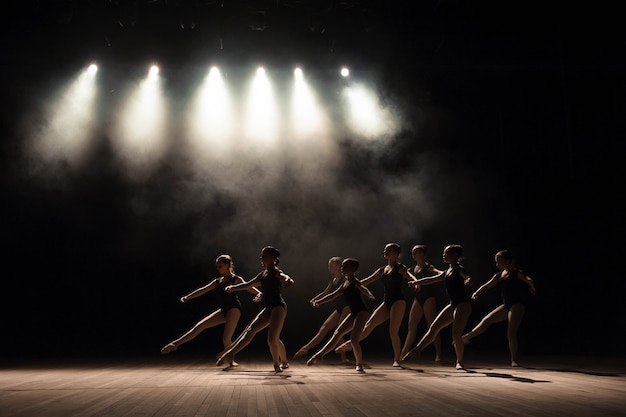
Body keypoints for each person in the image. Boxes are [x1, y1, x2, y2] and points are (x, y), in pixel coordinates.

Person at [160, 255, 262, 367]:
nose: (218, 268)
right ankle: (175, 344)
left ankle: (230, 359)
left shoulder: (236, 279)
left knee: (226, 338)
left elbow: (248, 286)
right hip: (223, 310)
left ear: (227, 265)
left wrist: (258, 293)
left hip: (233, 309)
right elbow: (202, 290)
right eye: (217, 266)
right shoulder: (217, 282)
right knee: (199, 326)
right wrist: (188, 297)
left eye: (220, 266)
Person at [335, 243, 417, 367]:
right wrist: (351, 285)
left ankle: (397, 359)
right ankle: (351, 344)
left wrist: (416, 282)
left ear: (395, 254)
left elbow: (410, 276)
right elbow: (366, 281)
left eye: (388, 250)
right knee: (369, 325)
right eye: (385, 250)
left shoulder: (400, 268)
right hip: (387, 302)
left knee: (393, 331)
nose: (385, 251)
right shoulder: (382, 270)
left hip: (398, 301)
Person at [215, 246, 294, 373]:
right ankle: (229, 354)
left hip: (278, 307)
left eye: (264, 256)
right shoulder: (262, 275)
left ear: (272, 258)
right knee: (250, 332)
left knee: (272, 338)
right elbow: (247, 284)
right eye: (261, 256)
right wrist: (233, 288)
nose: (261, 258)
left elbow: (284, 276)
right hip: (268, 308)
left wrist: (288, 280)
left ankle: (276, 365)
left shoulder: (275, 272)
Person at [402, 244, 473, 370]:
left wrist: (467, 280)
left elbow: (466, 276)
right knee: (434, 328)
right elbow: (430, 279)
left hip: (463, 304)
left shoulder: (459, 269)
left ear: (456, 256)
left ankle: (460, 361)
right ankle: (417, 350)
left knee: (456, 333)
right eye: (444, 253)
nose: (444, 255)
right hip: (452, 304)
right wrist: (416, 282)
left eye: (447, 254)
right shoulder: (447, 272)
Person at [461, 249, 536, 367]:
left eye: (499, 261)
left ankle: (514, 360)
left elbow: (527, 278)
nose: (497, 264)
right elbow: (487, 286)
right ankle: (467, 338)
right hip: (506, 305)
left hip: (517, 305)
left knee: (511, 332)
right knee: (487, 319)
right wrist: (476, 293)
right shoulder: (499, 275)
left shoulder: (516, 273)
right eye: (496, 262)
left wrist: (531, 285)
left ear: (507, 261)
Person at [307, 258, 375, 372]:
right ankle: (319, 355)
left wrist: (370, 295)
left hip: (361, 312)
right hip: (353, 313)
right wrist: (319, 301)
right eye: (342, 266)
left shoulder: (354, 282)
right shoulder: (345, 284)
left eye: (345, 267)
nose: (342, 268)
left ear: (353, 269)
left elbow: (363, 288)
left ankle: (359, 364)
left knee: (354, 340)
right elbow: (332, 295)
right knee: (337, 333)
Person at [293, 256, 351, 363]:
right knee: (324, 329)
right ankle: (305, 349)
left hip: (348, 306)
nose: (329, 268)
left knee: (339, 330)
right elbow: (326, 292)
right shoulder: (333, 280)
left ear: (339, 266)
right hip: (339, 308)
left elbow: (333, 295)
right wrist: (315, 299)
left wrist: (319, 301)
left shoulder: (345, 279)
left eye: (331, 266)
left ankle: (344, 357)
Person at [400, 245, 444, 362]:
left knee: (432, 327)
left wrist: (442, 273)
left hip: (429, 298)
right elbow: (405, 275)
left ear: (422, 254)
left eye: (416, 252)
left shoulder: (428, 267)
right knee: (411, 327)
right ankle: (402, 355)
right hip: (418, 299)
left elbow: (439, 273)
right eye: (412, 252)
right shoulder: (411, 270)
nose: (413, 254)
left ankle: (439, 354)